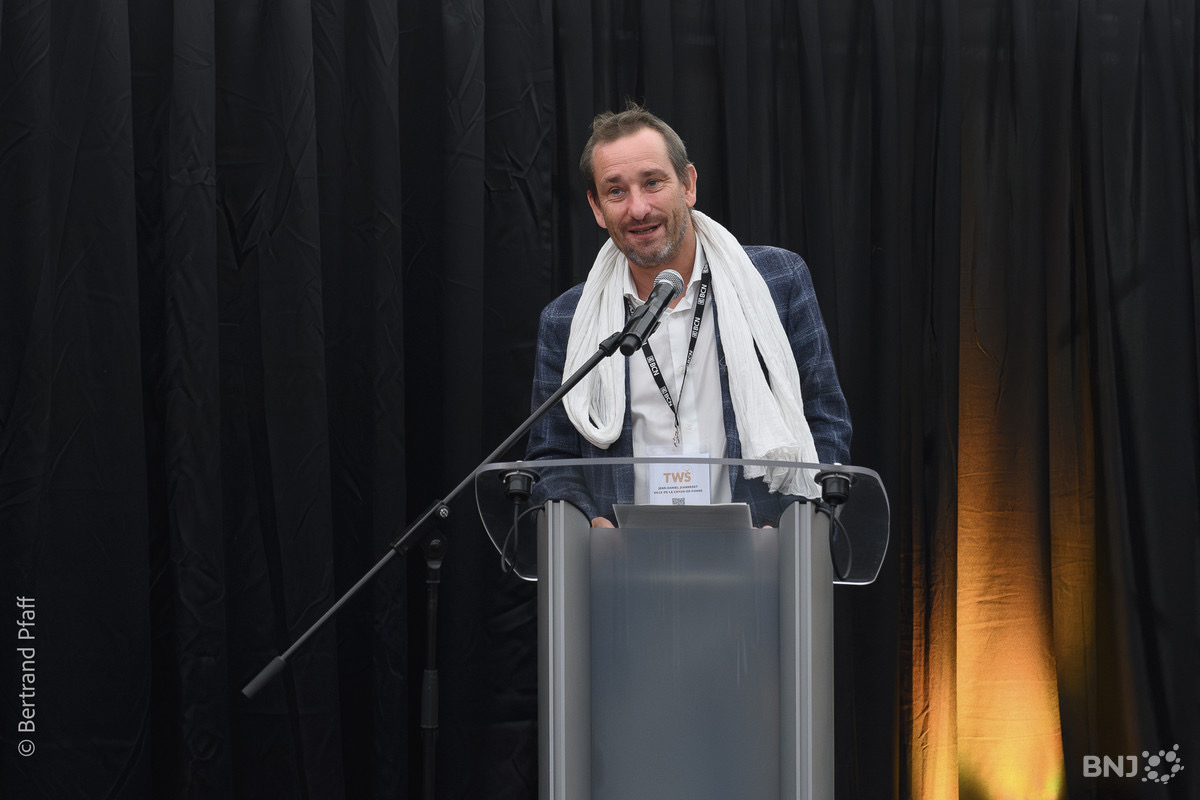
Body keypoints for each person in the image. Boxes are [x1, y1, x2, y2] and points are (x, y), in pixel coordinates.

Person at [526, 103, 851, 527]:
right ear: (597, 207)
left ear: (688, 184)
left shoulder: (778, 280)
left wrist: (798, 524)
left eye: (652, 182)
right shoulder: (566, 320)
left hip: (763, 547)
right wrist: (587, 524)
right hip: (624, 557)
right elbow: (552, 457)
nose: (638, 209)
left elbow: (825, 420)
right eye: (616, 191)